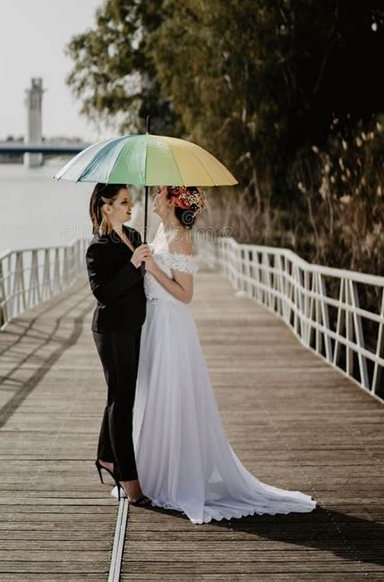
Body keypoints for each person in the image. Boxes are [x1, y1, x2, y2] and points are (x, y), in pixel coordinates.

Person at [133, 185, 317, 524]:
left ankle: (177, 480)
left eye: (160, 193)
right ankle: (152, 472)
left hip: (173, 327)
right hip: (155, 325)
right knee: (156, 397)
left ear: (174, 201)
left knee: (175, 397)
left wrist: (152, 268)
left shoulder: (180, 238)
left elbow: (185, 295)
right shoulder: (160, 231)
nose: (154, 198)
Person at [86, 183, 152, 506]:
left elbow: (141, 282)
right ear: (106, 207)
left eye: (131, 201)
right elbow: (104, 294)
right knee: (122, 401)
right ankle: (128, 477)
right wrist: (133, 265)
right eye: (124, 202)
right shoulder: (97, 248)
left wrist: (148, 260)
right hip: (111, 331)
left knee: (120, 394)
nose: (131, 206)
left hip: (134, 328)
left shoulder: (136, 237)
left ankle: (105, 456)